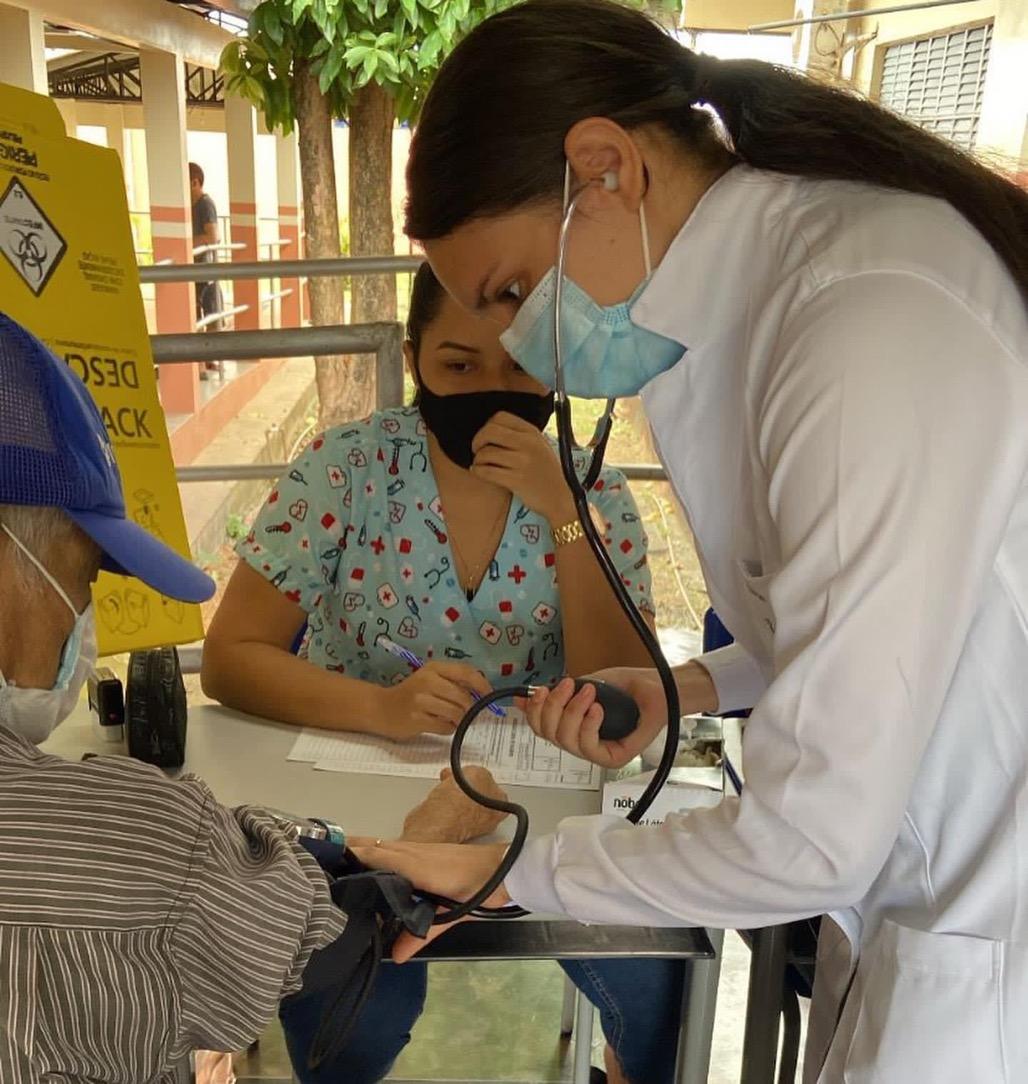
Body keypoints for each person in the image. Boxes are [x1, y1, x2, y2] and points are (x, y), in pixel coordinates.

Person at [351, 2, 1028, 1082]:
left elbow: (814, 838)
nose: (520, 344)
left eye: (516, 291)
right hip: (920, 919)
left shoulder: (859, 317)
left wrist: (515, 868)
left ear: (604, 168)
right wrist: (688, 687)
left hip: (984, 961)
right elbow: (865, 607)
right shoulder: (755, 297)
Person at [202, 262, 687, 1084]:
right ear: (417, 360)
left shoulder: (593, 485)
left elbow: (627, 692)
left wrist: (565, 514)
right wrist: (382, 708)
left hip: (544, 815)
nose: (492, 392)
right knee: (353, 1012)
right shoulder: (347, 470)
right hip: (366, 812)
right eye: (459, 366)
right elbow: (230, 657)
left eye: (523, 364)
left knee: (657, 986)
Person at [0, 311, 506, 1083]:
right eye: (83, 577)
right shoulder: (152, 846)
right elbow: (326, 923)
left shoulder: (578, 490)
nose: (82, 616)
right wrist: (415, 836)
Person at [189, 161, 223, 375]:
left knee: (210, 312)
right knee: (195, 312)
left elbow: (213, 236)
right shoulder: (191, 206)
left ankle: (209, 359)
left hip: (205, 267)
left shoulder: (205, 204)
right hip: (194, 267)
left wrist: (189, 243)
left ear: (195, 182)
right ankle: (202, 361)